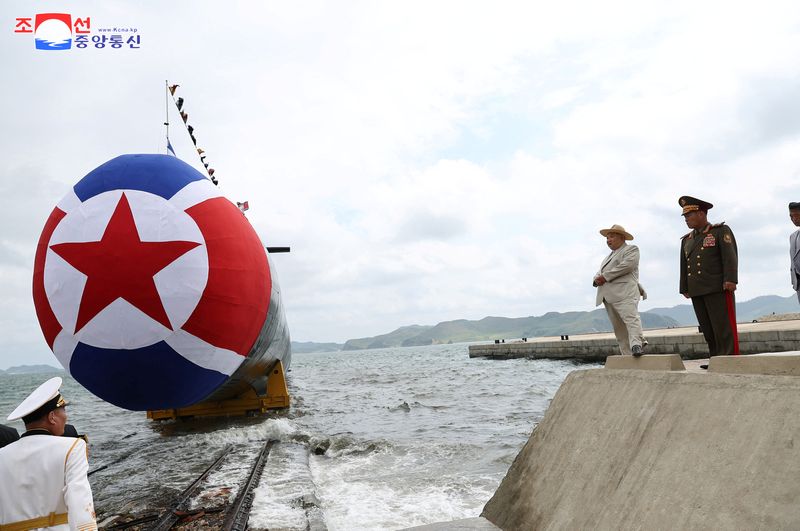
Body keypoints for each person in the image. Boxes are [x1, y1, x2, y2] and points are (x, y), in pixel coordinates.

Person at [0, 377, 97, 531]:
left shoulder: (2, 455)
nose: (66, 417)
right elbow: (79, 500)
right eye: (63, 410)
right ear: (52, 417)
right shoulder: (72, 447)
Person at [679, 196, 739, 360]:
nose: (686, 219)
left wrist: (731, 279)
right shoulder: (687, 240)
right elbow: (684, 265)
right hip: (696, 289)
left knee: (723, 326)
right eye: (684, 216)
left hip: (717, 287)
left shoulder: (720, 231)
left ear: (701, 214)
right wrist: (684, 287)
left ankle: (729, 358)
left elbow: (729, 256)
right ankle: (716, 358)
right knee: (707, 328)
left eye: (689, 215)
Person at [593, 224, 646, 356]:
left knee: (631, 318)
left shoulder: (631, 249)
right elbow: (599, 272)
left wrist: (604, 277)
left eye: (611, 237)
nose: (608, 240)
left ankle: (636, 345)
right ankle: (626, 353)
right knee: (619, 327)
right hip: (608, 296)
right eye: (607, 238)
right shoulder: (607, 257)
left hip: (625, 292)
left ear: (622, 237)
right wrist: (596, 279)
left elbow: (627, 266)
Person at [789, 202, 800, 303]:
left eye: (796, 215)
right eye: (791, 216)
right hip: (798, 283)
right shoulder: (792, 237)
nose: (793, 219)